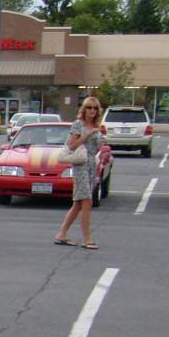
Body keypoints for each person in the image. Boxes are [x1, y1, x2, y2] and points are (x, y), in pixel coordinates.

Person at [53, 98, 105, 249]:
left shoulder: (96, 125)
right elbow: (72, 145)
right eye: (89, 107)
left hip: (91, 164)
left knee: (78, 203)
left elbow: (95, 148)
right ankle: (87, 239)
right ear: (84, 109)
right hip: (80, 164)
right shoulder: (78, 124)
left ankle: (61, 234)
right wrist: (87, 135)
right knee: (87, 200)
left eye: (95, 108)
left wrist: (101, 142)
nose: (92, 110)